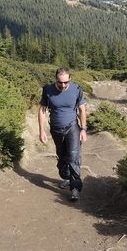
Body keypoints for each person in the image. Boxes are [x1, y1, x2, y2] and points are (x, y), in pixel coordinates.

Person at [38, 67, 87, 201]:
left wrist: (83, 129)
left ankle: (75, 188)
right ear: (56, 80)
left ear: (70, 78)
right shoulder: (48, 90)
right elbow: (42, 110)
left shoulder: (77, 90)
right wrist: (42, 130)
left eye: (66, 82)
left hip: (72, 127)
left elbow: (82, 110)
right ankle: (67, 177)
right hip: (55, 128)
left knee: (73, 156)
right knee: (62, 157)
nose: (63, 85)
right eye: (60, 82)